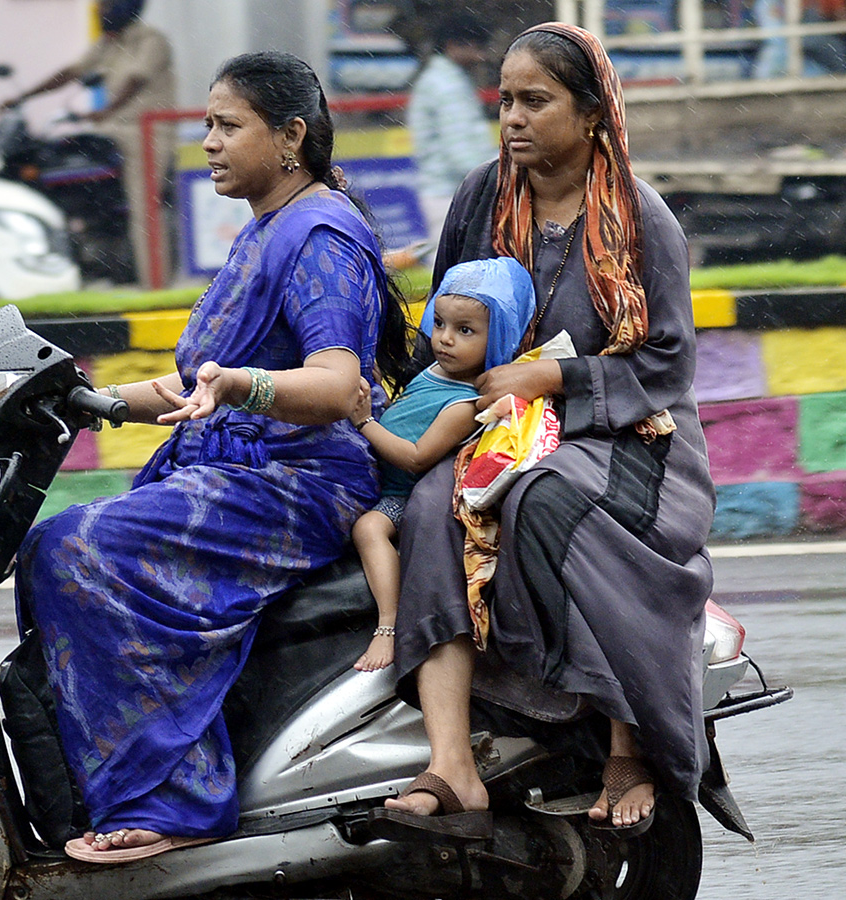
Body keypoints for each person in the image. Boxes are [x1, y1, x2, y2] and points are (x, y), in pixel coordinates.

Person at [16, 51, 412, 864]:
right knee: (51, 544)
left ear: (291, 135)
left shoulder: (320, 237)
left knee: (76, 549)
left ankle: (173, 802)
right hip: (235, 472)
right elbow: (206, 377)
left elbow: (337, 386)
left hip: (298, 483)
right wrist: (90, 400)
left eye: (229, 125)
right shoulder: (270, 225)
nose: (208, 143)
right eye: (207, 124)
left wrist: (240, 389)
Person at [368, 22, 716, 843]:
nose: (513, 119)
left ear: (592, 112)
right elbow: (443, 333)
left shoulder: (640, 218)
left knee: (546, 499)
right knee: (426, 506)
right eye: (505, 101)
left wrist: (551, 377)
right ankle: (452, 764)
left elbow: (665, 363)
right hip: (494, 428)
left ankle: (626, 742)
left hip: (632, 434)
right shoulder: (482, 199)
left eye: (536, 101)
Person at [349, 257, 534, 672]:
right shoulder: (434, 371)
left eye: (465, 331)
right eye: (440, 325)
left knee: (369, 528)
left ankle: (388, 625)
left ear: (499, 335)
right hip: (372, 471)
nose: (446, 340)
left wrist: (363, 422)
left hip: (400, 493)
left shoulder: (464, 405)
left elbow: (416, 458)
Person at [4, 0, 176, 287]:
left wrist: (106, 110)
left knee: (145, 210)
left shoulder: (151, 40)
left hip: (144, 132)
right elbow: (70, 72)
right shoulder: (108, 44)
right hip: (110, 130)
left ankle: (153, 285)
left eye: (106, 5)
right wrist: (24, 97)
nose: (99, 10)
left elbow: (135, 79)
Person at [407, 12, 497, 253]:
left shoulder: (447, 79)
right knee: (457, 274)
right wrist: (499, 176)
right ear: (453, 45)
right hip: (452, 195)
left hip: (451, 193)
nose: (482, 56)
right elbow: (462, 155)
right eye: (477, 46)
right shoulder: (446, 85)